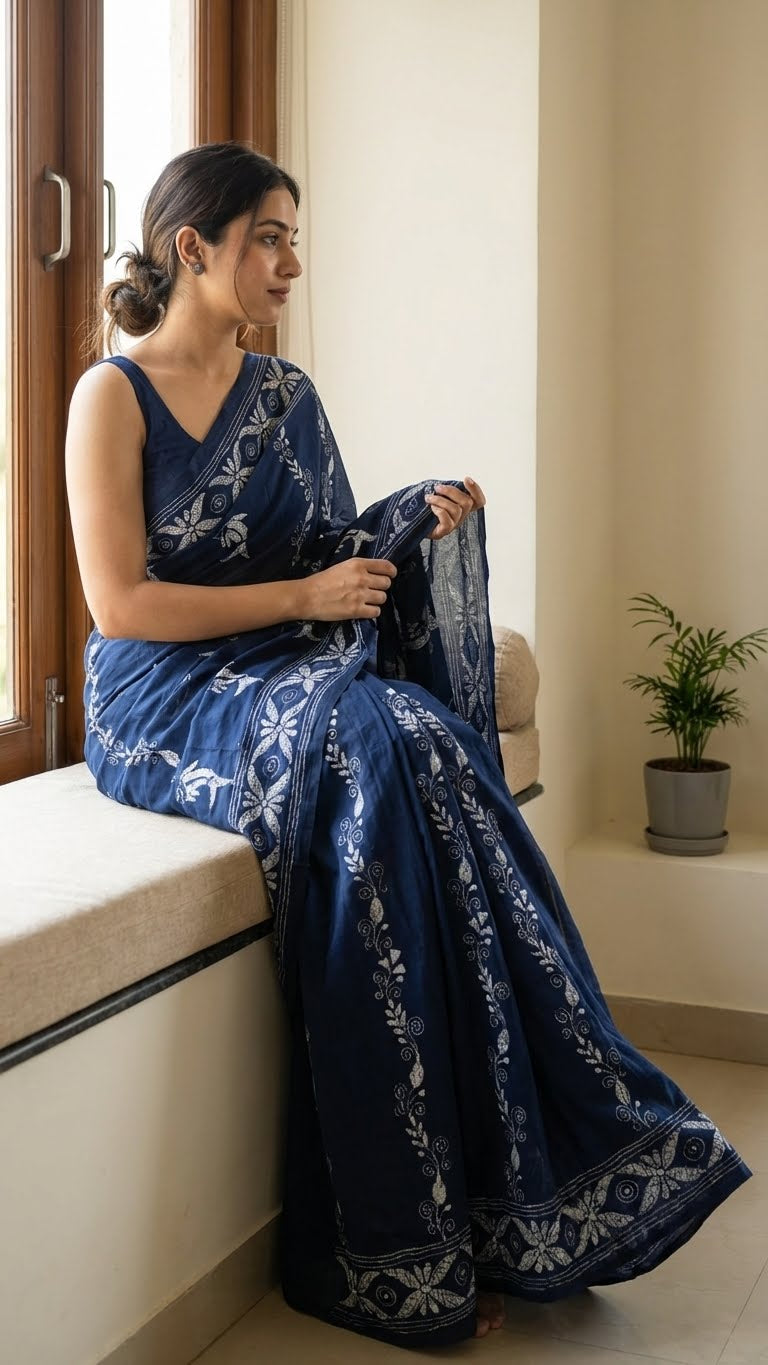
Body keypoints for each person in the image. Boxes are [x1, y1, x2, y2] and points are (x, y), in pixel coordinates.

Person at [65, 142, 750, 1351]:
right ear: (192, 248)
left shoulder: (288, 397)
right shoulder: (108, 397)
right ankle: (391, 1234)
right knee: (376, 750)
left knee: (423, 744)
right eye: (268, 236)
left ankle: (507, 1189)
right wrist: (306, 599)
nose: (289, 262)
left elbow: (332, 552)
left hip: (284, 671)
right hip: (162, 697)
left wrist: (411, 520)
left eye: (291, 236)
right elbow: (121, 606)